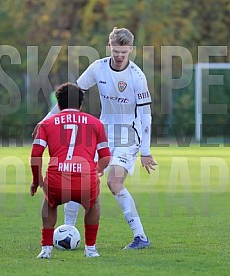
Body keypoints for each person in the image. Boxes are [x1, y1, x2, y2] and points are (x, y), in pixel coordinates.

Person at [34, 27, 157, 249]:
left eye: (124, 52)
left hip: (129, 136)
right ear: (110, 47)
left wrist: (146, 151)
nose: (120, 56)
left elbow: (146, 116)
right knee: (76, 177)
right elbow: (71, 94)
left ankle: (141, 237)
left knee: (114, 182)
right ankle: (68, 230)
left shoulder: (137, 77)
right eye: (116, 51)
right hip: (101, 134)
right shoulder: (98, 68)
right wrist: (45, 122)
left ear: (131, 50)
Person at [30, 82, 111, 259]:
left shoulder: (47, 124)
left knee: (50, 203)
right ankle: (91, 250)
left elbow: (36, 155)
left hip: (57, 178)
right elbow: (105, 156)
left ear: (58, 104)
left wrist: (37, 181)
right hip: (85, 179)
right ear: (81, 104)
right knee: (93, 205)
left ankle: (45, 250)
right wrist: (96, 169)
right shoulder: (96, 123)